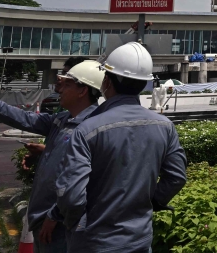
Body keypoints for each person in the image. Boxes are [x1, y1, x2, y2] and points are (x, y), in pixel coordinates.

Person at [49, 42, 187, 252]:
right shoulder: (165, 126)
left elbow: (71, 195)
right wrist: (150, 203)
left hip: (94, 242)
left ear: (107, 81)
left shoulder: (87, 130)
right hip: (139, 240)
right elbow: (176, 177)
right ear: (144, 84)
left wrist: (76, 224)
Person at [0, 58, 105, 253]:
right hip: (43, 220)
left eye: (67, 83)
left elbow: (82, 182)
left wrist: (55, 216)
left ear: (83, 90)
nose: (60, 88)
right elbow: (25, 119)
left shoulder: (93, 127)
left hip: (61, 226)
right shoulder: (62, 119)